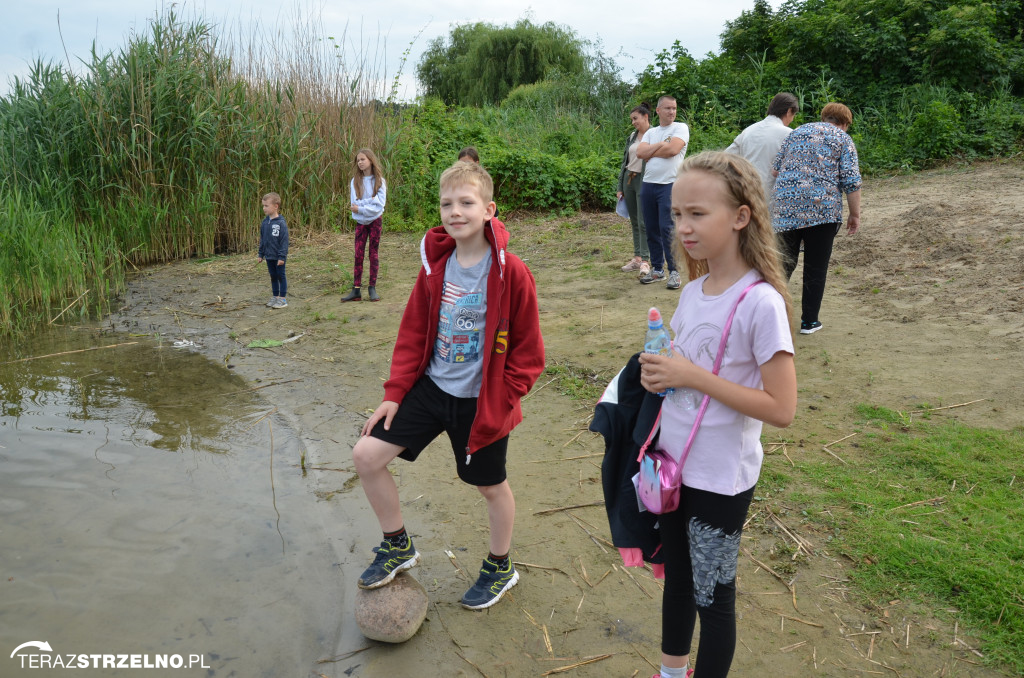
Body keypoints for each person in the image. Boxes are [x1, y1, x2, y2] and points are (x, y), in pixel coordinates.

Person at [351, 161, 545, 610]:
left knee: (490, 486)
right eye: (446, 203)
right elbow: (414, 333)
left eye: (466, 202)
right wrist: (394, 393)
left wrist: (503, 398)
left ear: (489, 209)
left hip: (482, 402)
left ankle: (501, 566)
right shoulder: (435, 266)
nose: (454, 211)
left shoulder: (511, 272)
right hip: (433, 390)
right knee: (366, 455)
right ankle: (398, 544)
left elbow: (529, 353)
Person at [638, 151, 797, 678]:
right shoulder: (690, 291)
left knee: (713, 595)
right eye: (677, 214)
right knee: (677, 580)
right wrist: (658, 375)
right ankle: (670, 671)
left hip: (721, 478)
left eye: (697, 214)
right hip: (674, 466)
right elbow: (683, 373)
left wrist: (690, 376)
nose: (683, 227)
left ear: (740, 216)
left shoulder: (761, 303)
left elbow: (782, 408)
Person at [771, 102, 862, 335]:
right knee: (816, 266)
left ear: (824, 117)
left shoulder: (797, 132)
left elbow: (775, 170)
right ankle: (809, 321)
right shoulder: (842, 139)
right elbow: (851, 181)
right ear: (844, 123)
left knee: (783, 265)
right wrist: (855, 214)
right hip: (822, 210)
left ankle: (769, 317)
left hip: (786, 208)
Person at [637, 95, 689, 290]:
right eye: (667, 108)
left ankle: (674, 271)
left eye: (674, 108)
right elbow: (640, 153)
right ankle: (658, 269)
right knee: (651, 228)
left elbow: (673, 150)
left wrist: (654, 149)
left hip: (669, 184)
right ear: (658, 111)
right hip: (649, 184)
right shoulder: (651, 132)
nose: (672, 112)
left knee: (667, 228)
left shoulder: (680, 128)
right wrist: (660, 145)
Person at [724, 92, 799, 197]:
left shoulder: (748, 130)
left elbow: (724, 158)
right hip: (772, 197)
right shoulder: (789, 134)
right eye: (793, 115)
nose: (792, 120)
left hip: (746, 193)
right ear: (789, 111)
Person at [342, 148, 387, 302]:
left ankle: (372, 287)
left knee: (373, 254)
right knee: (358, 254)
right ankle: (356, 290)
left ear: (370, 160)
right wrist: (370, 202)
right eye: (358, 160)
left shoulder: (380, 181)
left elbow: (380, 205)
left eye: (362, 159)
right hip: (361, 223)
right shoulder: (355, 181)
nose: (360, 162)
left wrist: (362, 207)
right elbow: (353, 205)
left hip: (375, 221)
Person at [617, 103, 652, 276]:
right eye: (632, 119)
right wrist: (620, 186)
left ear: (646, 117)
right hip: (629, 181)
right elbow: (625, 162)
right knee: (634, 221)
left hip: (645, 181)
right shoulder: (632, 136)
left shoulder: (655, 134)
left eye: (635, 119)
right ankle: (637, 258)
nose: (633, 123)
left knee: (644, 221)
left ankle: (646, 260)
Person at [257, 192, 289, 309]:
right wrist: (261, 254)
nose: (264, 208)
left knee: (281, 276)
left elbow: (284, 242)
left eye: (266, 206)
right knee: (273, 276)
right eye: (263, 206)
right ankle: (275, 296)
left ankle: (282, 299)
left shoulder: (281, 223)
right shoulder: (265, 222)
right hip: (269, 256)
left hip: (278, 257)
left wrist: (282, 257)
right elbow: (263, 239)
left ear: (276, 206)